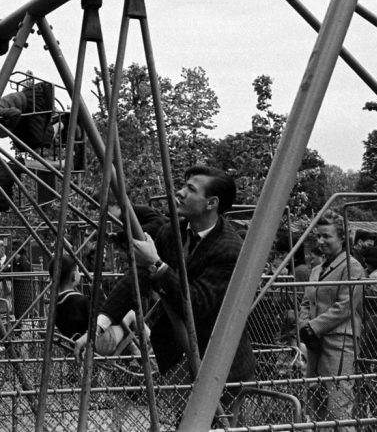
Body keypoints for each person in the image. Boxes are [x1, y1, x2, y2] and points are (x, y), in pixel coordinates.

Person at [74, 165, 256, 418]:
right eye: (183, 185)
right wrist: (98, 326)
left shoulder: (230, 249)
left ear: (211, 203)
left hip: (218, 364)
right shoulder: (172, 231)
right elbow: (136, 280)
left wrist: (157, 265)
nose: (179, 193)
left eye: (190, 189)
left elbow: (198, 303)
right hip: (177, 356)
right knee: (181, 423)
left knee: (215, 424)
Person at [299, 210, 364, 427]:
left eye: (326, 236)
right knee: (315, 405)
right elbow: (306, 301)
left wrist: (314, 326)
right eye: (318, 236)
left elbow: (345, 306)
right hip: (314, 342)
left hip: (338, 342)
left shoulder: (351, 267)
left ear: (342, 238)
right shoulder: (317, 269)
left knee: (338, 406)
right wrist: (305, 326)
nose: (320, 241)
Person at [52, 252, 90, 340]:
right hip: (91, 341)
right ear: (73, 276)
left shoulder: (55, 303)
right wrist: (99, 294)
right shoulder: (82, 301)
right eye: (78, 271)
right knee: (128, 314)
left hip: (73, 340)